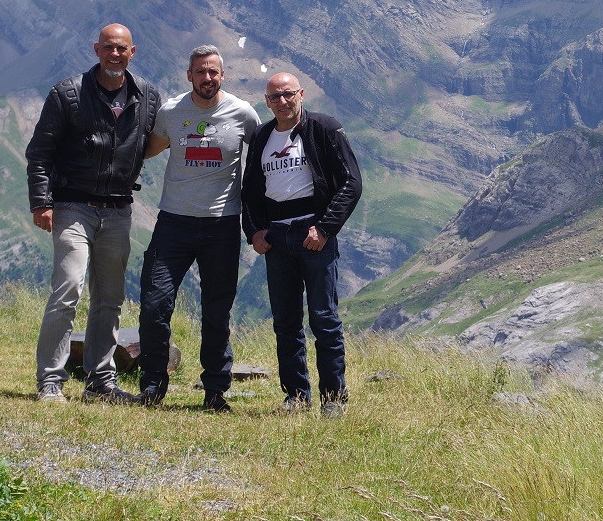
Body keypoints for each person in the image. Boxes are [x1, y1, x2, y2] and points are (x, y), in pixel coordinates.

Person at [27, 23, 161, 404]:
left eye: (121, 48)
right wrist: (41, 202)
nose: (114, 54)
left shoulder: (147, 96)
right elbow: (40, 153)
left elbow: (158, 139)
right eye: (108, 47)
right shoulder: (68, 93)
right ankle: (50, 381)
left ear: (132, 52)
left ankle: (100, 382)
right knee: (69, 287)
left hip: (118, 209)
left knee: (110, 297)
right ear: (96, 49)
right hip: (73, 206)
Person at [138, 45, 261, 412]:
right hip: (173, 222)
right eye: (201, 72)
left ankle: (215, 392)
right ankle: (152, 386)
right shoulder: (171, 112)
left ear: (222, 75)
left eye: (213, 72)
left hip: (222, 225)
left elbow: (266, 153)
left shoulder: (242, 113)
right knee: (155, 304)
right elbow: (146, 149)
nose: (207, 78)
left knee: (216, 312)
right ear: (189, 75)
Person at [241, 73, 362, 417]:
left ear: (301, 94)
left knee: (324, 319)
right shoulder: (262, 136)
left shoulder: (324, 129)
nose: (282, 102)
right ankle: (296, 397)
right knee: (286, 321)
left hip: (314, 237)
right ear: (267, 102)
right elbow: (250, 189)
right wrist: (254, 231)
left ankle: (333, 399)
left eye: (288, 94)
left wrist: (324, 229)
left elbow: (351, 183)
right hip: (277, 238)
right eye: (274, 97)